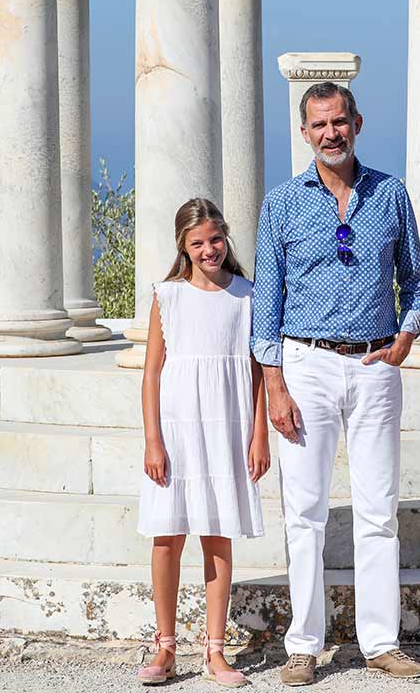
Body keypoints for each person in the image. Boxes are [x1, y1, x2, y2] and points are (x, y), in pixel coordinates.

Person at [251, 82, 420, 686]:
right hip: (305, 367)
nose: (331, 133)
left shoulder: (392, 193)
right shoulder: (280, 203)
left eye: (339, 121)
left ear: (357, 122)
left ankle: (381, 642)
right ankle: (303, 645)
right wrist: (274, 383)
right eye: (319, 124)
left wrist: (407, 336)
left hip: (376, 366)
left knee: (379, 509)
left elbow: (419, 282)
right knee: (304, 511)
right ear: (304, 133)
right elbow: (265, 306)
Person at [136, 198, 271, 688]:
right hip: (176, 427)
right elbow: (152, 373)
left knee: (218, 534)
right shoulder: (166, 296)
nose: (209, 249)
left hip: (226, 426)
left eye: (215, 240)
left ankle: (215, 652)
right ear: (183, 246)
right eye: (198, 243)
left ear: (226, 238)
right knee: (168, 535)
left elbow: (257, 372)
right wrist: (154, 440)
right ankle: (165, 646)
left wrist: (259, 433)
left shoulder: (246, 295)